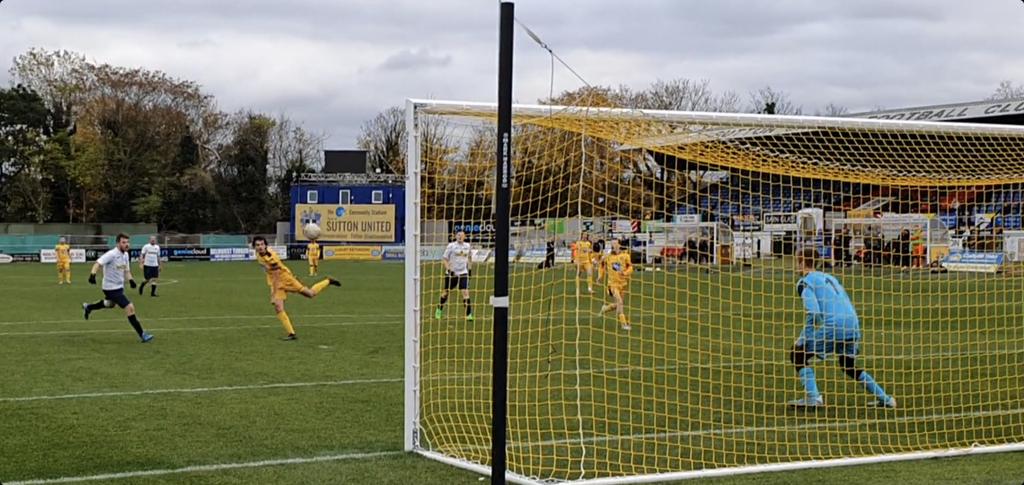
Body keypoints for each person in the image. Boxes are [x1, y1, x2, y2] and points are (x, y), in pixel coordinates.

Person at [788, 247, 896, 408]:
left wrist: (803, 339)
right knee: (848, 364)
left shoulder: (805, 282)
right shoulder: (829, 277)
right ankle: (886, 399)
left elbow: (813, 312)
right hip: (852, 323)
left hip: (835, 324)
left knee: (797, 355)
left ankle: (814, 398)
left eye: (797, 262)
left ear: (802, 262)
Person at [252, 236, 339, 340]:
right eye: (258, 245)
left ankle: (327, 281)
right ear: (254, 247)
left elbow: (276, 274)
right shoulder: (258, 254)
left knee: (310, 294)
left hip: (286, 279)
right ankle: (291, 334)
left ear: (266, 245)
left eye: (262, 244)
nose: (260, 247)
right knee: (278, 307)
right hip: (276, 282)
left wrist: (273, 293)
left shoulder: (271, 257)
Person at [81, 233, 154, 343]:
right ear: (118, 243)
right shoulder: (111, 254)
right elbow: (97, 263)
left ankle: (89, 307)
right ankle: (142, 334)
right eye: (124, 242)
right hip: (110, 287)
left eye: (127, 242)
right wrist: (92, 275)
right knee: (129, 307)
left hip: (119, 287)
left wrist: (131, 280)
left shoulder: (125, 255)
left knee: (110, 304)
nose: (126, 244)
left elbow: (126, 270)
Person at [435, 230, 473, 321]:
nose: (459, 236)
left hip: (463, 273)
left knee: (465, 292)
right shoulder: (451, 246)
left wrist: (470, 269)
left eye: (461, 235)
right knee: (446, 292)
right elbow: (445, 259)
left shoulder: (467, 246)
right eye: (458, 235)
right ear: (455, 236)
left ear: (465, 237)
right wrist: (449, 269)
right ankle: (439, 309)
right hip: (452, 273)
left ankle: (469, 314)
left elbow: (470, 258)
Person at [600, 239, 633, 330]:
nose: (613, 245)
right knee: (620, 302)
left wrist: (625, 273)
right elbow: (601, 265)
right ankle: (623, 324)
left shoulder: (625, 256)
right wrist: (600, 275)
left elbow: (630, 267)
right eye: (612, 244)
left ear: (619, 245)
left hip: (622, 284)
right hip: (612, 285)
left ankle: (605, 308)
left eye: (615, 243)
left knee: (618, 304)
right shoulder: (608, 257)